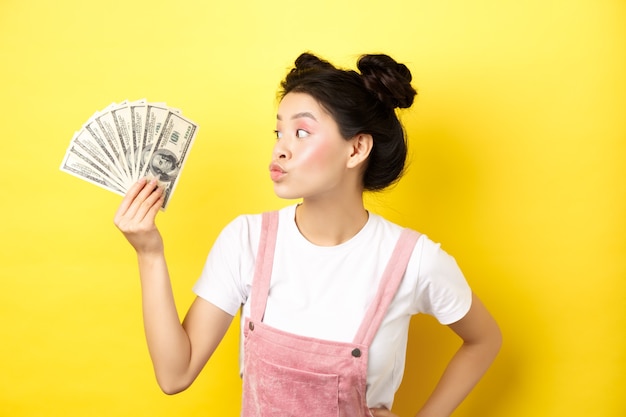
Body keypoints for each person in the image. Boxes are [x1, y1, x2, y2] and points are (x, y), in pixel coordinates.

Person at [114, 52, 502, 417]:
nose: (280, 149)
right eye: (278, 131)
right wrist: (149, 254)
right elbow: (174, 375)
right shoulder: (246, 240)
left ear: (356, 149)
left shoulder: (414, 259)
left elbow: (484, 340)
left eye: (301, 132)